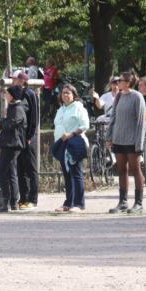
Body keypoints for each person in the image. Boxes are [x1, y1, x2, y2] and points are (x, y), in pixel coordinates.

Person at [106, 71, 146, 214]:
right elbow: (113, 117)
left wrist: (139, 143)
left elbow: (142, 121)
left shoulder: (137, 97)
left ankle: (138, 202)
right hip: (118, 139)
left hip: (132, 140)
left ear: (128, 82)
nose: (118, 83)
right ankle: (122, 202)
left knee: (136, 170)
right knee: (121, 170)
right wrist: (109, 137)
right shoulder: (118, 96)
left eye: (120, 80)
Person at [52, 84, 90, 213]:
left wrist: (72, 134)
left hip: (75, 143)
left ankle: (79, 204)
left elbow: (85, 125)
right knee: (67, 174)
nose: (65, 95)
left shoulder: (78, 107)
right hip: (62, 144)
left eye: (68, 93)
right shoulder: (61, 109)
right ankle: (69, 202)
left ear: (74, 95)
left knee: (76, 173)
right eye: (63, 93)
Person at [11, 69, 40, 210]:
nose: (12, 81)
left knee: (31, 168)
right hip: (18, 137)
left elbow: (34, 117)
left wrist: (30, 135)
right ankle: (23, 197)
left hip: (28, 137)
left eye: (15, 79)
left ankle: (33, 199)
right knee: (20, 168)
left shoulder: (30, 94)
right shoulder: (15, 93)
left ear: (22, 80)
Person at [0, 85, 27, 212]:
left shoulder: (18, 108)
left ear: (13, 96)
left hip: (12, 145)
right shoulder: (13, 107)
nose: (5, 96)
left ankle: (6, 201)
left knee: (1, 171)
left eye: (7, 94)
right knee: (11, 172)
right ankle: (13, 202)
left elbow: (11, 123)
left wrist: (1, 122)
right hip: (10, 144)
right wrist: (3, 120)